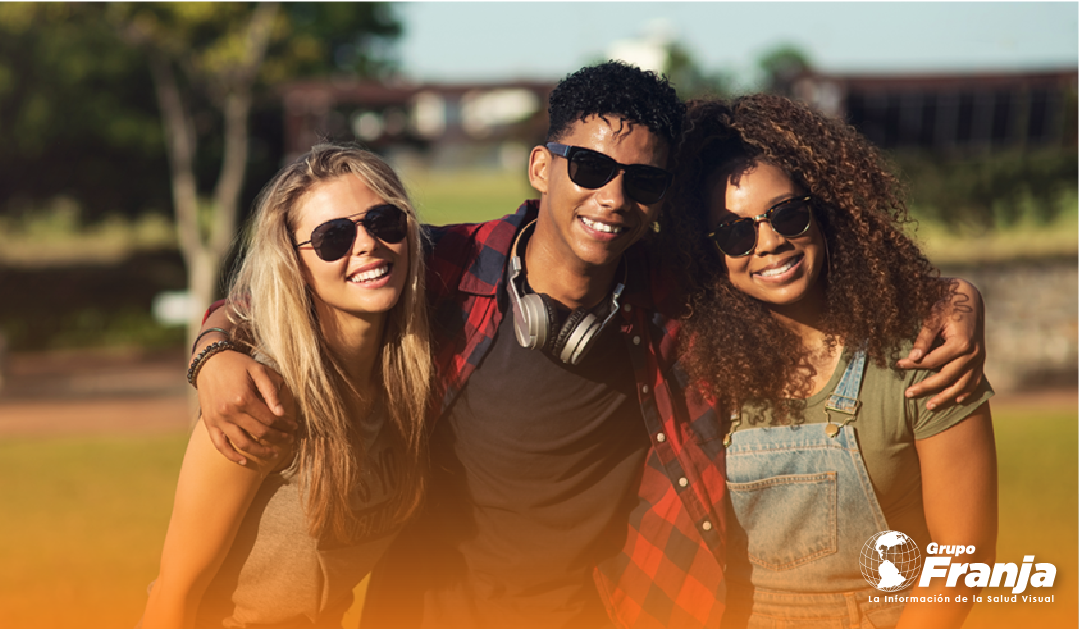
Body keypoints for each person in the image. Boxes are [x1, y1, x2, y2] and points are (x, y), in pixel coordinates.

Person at [190, 63, 987, 629]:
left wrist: (949, 295)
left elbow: (798, 268)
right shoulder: (446, 268)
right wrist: (217, 348)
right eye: (589, 167)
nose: (612, 196)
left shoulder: (674, 297)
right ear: (542, 166)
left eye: (642, 182)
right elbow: (311, 280)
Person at [661, 94, 998, 629]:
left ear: (825, 211)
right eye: (735, 232)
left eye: (787, 214)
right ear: (707, 252)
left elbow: (962, 557)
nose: (770, 242)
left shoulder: (924, 352)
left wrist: (957, 295)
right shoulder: (698, 367)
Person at [140, 144, 431, 629]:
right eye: (333, 237)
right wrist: (211, 348)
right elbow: (174, 594)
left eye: (383, 222)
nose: (366, 245)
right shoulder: (262, 396)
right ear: (295, 265)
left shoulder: (406, 383)